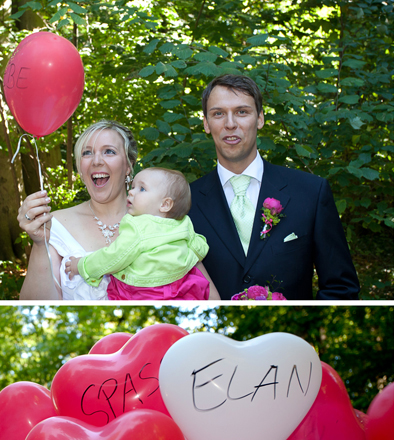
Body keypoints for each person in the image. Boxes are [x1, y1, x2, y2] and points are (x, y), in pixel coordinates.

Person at [190, 74, 360, 300]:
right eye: (218, 113)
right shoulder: (185, 202)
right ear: (206, 124)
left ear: (259, 119)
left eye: (242, 112)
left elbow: (341, 288)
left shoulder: (310, 192)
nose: (230, 124)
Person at [18, 120, 137, 300]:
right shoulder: (55, 224)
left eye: (109, 151)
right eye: (87, 153)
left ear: (128, 165)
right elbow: (35, 303)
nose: (96, 161)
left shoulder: (158, 220)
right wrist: (40, 244)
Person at [65, 167, 220, 300]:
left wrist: (81, 265)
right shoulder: (184, 223)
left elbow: (114, 256)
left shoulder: (137, 226)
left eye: (142, 189)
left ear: (165, 204)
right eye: (132, 187)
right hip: (182, 288)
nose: (131, 192)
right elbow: (198, 246)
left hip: (144, 292)